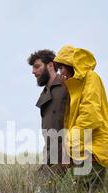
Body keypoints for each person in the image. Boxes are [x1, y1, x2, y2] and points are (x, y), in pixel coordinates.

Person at [53, 45, 108, 193]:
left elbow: (90, 118)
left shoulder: (91, 78)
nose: (60, 73)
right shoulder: (73, 87)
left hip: (96, 148)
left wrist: (70, 148)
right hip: (83, 148)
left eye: (61, 68)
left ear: (71, 65)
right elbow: (70, 123)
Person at [28, 50, 69, 178]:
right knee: (36, 189)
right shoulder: (44, 94)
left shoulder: (68, 85)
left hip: (69, 157)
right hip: (50, 157)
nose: (33, 72)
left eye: (37, 66)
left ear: (50, 65)